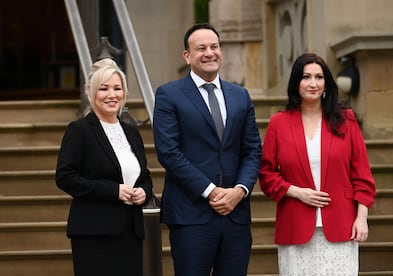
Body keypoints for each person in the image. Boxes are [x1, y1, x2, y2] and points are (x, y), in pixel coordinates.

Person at [153, 22, 262, 276]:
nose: (209, 53)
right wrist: (211, 192)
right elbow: (169, 152)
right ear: (187, 56)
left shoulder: (240, 96)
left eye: (214, 46)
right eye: (201, 48)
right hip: (191, 215)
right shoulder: (169, 95)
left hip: (235, 215)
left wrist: (239, 191)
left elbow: (253, 150)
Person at [259, 53, 376, 275]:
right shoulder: (278, 123)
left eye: (319, 77)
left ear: (326, 84)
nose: (313, 83)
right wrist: (296, 192)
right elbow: (266, 175)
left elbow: (363, 177)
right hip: (295, 227)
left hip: (341, 226)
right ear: (296, 83)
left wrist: (362, 219)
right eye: (306, 77)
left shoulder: (346, 120)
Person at [55, 58, 153, 276]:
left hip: (130, 232)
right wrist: (113, 190)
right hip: (94, 233)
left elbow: (144, 177)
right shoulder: (79, 130)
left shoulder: (132, 133)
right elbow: (65, 176)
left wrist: (143, 192)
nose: (112, 95)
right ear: (92, 94)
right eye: (104, 89)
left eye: (117, 88)